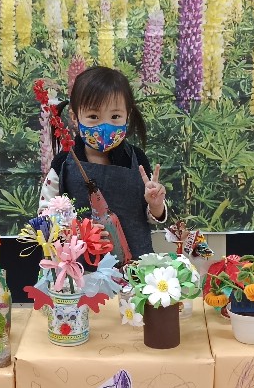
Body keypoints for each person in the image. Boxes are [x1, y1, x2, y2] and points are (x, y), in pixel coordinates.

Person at [39, 65, 166, 259]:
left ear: (127, 115)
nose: (104, 126)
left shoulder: (137, 159)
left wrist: (156, 205)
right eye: (93, 117)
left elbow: (152, 217)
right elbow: (44, 217)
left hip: (135, 266)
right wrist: (74, 232)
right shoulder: (63, 163)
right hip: (81, 268)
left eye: (115, 116)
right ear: (75, 116)